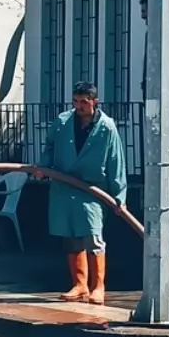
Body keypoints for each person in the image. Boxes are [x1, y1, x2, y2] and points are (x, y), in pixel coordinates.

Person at [35, 82, 127, 305]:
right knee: (71, 237)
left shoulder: (106, 127)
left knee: (92, 236)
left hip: (92, 188)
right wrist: (43, 167)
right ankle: (80, 284)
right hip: (64, 186)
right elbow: (50, 146)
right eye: (75, 102)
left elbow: (116, 161)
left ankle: (99, 287)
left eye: (84, 102)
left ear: (95, 102)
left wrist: (119, 197)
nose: (79, 106)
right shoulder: (62, 121)